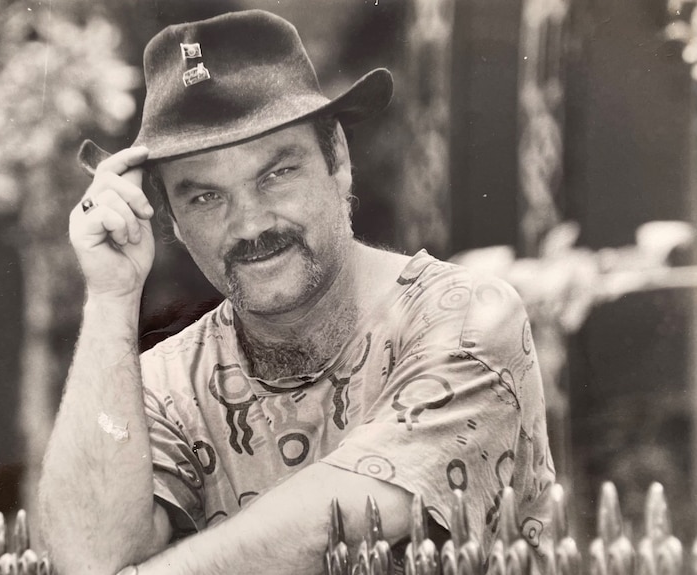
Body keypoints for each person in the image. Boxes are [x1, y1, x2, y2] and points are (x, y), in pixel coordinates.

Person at [38, 9, 555, 575]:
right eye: (205, 198)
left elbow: (345, 518)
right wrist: (111, 298)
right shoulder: (165, 385)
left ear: (338, 160)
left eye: (276, 173)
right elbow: (86, 558)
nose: (251, 224)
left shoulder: (465, 318)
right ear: (172, 222)